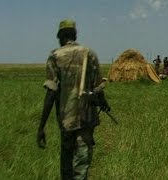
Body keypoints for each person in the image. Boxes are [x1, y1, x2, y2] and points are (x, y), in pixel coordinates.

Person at [37, 19, 110, 179]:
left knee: (66, 162)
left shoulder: (55, 56)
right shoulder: (89, 53)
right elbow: (97, 87)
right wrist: (103, 102)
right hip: (86, 118)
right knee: (82, 164)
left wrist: (41, 127)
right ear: (75, 35)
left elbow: (51, 93)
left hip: (66, 119)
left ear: (60, 36)